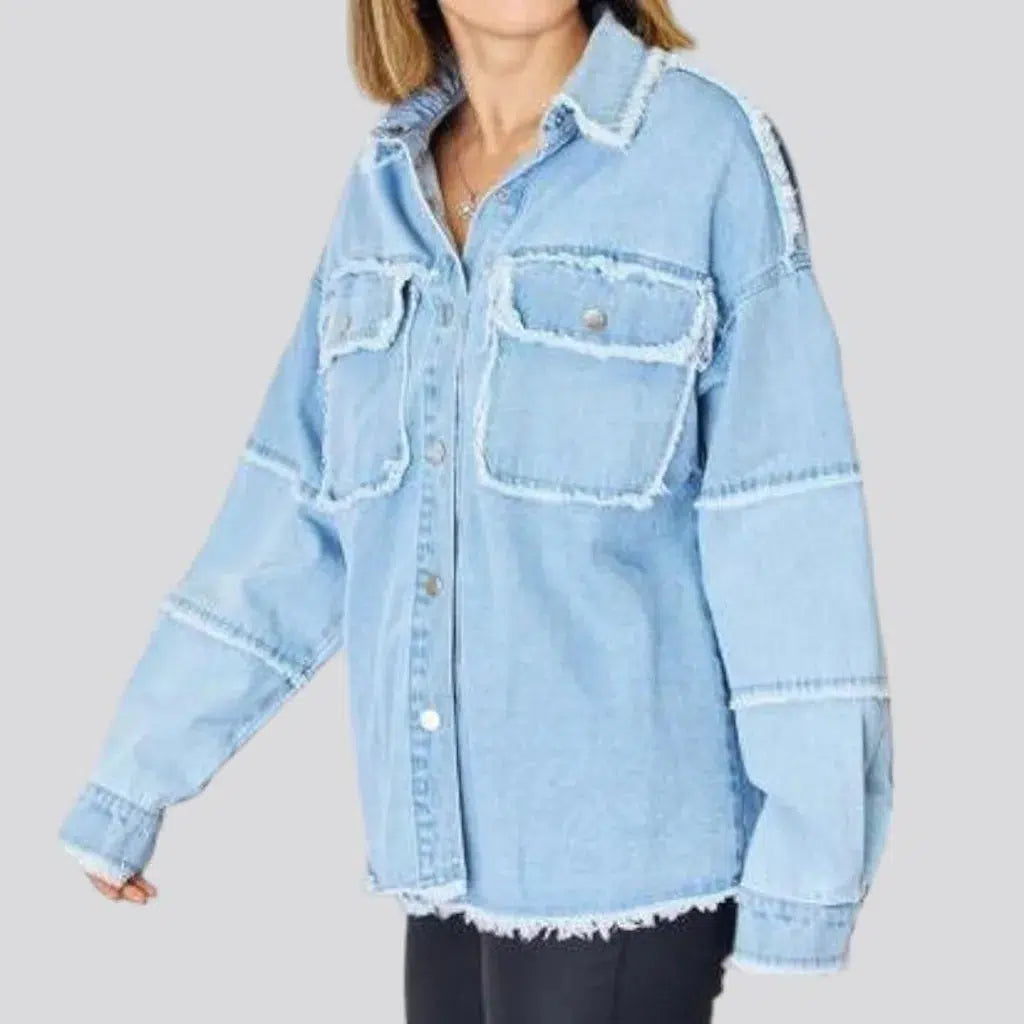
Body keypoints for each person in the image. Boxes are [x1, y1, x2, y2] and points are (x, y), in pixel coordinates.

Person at [58, 2, 895, 1021]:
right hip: (440, 856)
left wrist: (809, 865)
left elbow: (786, 519)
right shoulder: (384, 189)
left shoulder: (705, 151)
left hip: (625, 864)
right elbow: (293, 510)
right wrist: (134, 780)